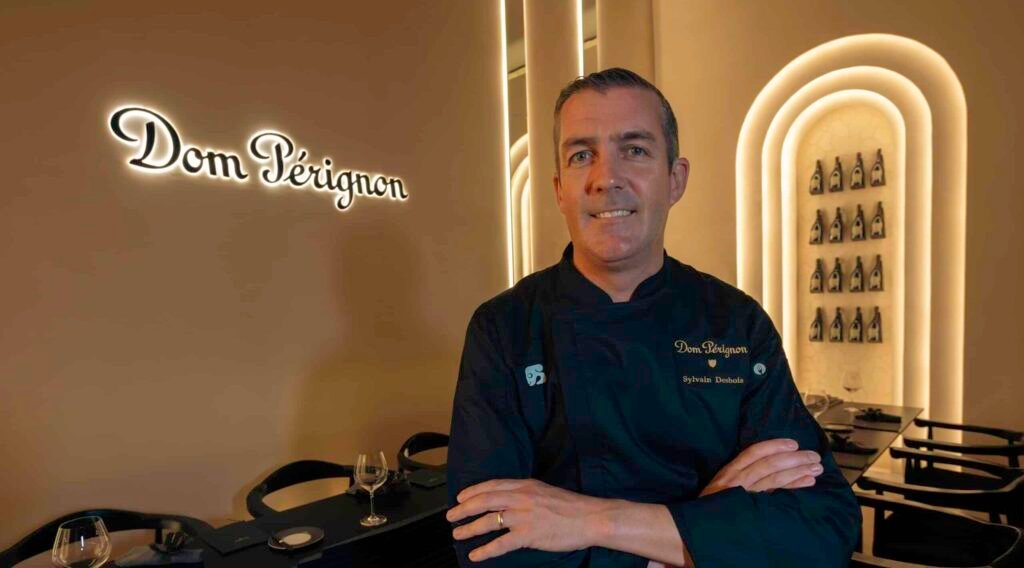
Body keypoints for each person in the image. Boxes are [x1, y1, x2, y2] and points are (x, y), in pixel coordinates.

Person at [445, 68, 860, 567]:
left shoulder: (736, 322)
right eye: (582, 156)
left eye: (635, 150)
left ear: (675, 179)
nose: (606, 178)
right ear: (559, 189)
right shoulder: (503, 329)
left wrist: (594, 521)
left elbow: (824, 526)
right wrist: (705, 528)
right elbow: (486, 543)